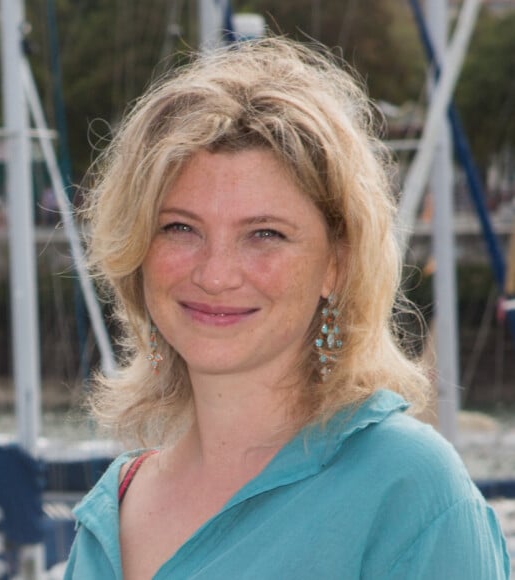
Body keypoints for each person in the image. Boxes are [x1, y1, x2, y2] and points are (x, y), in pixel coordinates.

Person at [64, 37, 510, 579]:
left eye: (265, 234)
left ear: (336, 265)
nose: (216, 273)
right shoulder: (112, 508)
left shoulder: (408, 491)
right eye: (180, 228)